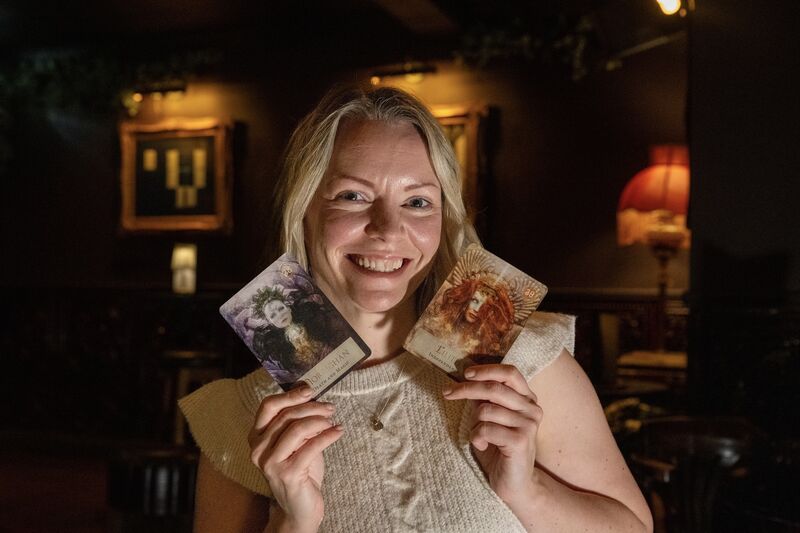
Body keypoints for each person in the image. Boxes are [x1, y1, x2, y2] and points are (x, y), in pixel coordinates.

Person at [179, 86, 653, 532]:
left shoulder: (524, 365)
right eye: (353, 195)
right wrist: (292, 523)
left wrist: (527, 490)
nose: (387, 228)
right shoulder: (241, 420)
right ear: (304, 209)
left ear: (443, 219)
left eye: (418, 201)